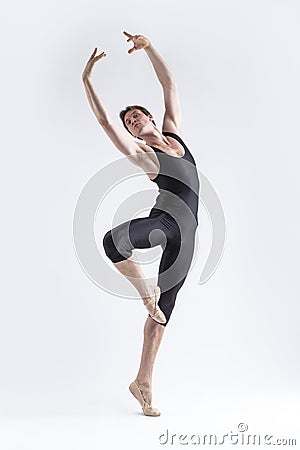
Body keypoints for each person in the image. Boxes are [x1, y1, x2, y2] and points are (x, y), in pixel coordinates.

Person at [82, 31, 199, 416]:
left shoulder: (173, 132)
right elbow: (103, 122)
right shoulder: (143, 153)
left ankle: (143, 382)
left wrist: (149, 48)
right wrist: (87, 82)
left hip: (188, 236)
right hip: (163, 223)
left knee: (163, 313)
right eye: (130, 123)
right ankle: (143, 290)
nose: (133, 122)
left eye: (136, 116)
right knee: (113, 242)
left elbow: (170, 83)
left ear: (151, 116)